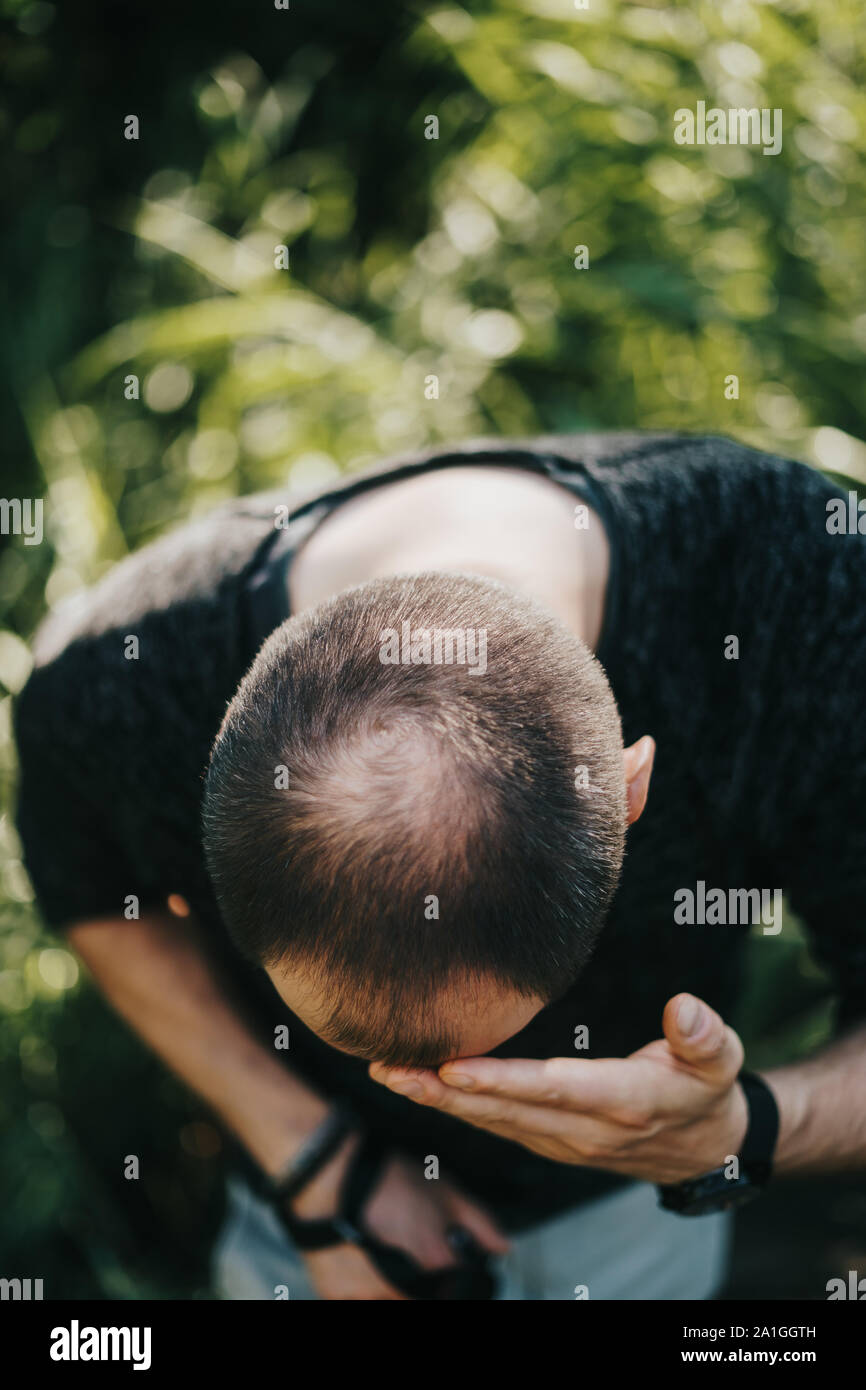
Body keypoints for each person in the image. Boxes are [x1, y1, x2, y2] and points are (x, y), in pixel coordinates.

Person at [14, 431, 866, 1300]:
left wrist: (737, 1131)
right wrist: (314, 1164)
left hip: (635, 1208)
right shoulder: (110, 691)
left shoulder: (800, 604)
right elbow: (95, 897)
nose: (439, 1095)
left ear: (627, 791)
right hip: (312, 1221)